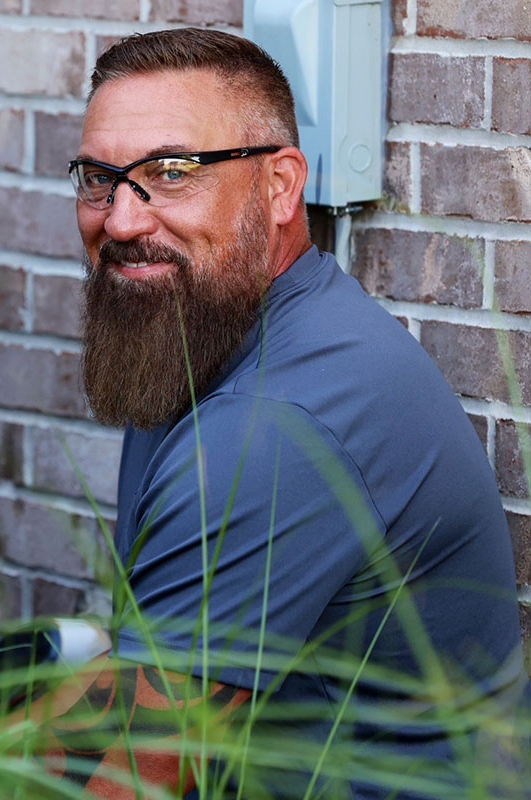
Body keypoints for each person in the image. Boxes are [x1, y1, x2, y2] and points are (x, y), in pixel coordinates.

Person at [29, 26, 529, 800]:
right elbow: (139, 685)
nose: (122, 221)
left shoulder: (278, 426)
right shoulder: (197, 329)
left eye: (172, 172)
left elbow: (122, 777)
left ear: (280, 186)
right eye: (101, 178)